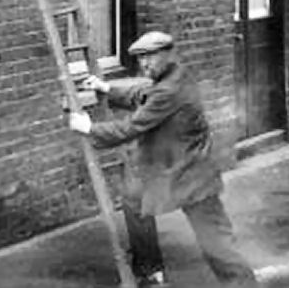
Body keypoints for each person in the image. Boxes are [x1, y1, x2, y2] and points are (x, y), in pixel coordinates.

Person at [69, 31, 258, 288]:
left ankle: (243, 284)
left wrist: (90, 128)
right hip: (178, 168)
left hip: (191, 175)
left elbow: (133, 127)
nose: (144, 64)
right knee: (135, 200)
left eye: (150, 57)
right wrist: (106, 88)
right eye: (140, 59)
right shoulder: (175, 76)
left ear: (168, 55)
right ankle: (150, 272)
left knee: (215, 241)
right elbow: (143, 94)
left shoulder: (169, 90)